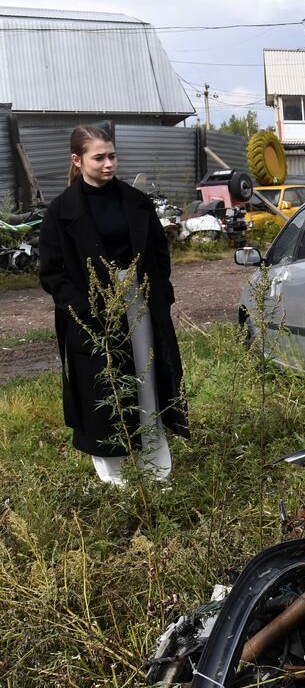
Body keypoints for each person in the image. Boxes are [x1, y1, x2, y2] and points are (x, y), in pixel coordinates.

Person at [37, 125, 187, 485]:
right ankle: (114, 480)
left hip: (139, 302)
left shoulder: (137, 201)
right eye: (99, 157)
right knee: (103, 390)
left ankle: (157, 472)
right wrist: (86, 309)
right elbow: (51, 273)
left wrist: (159, 293)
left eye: (112, 156)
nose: (108, 164)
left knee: (146, 378)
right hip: (92, 315)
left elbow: (159, 253)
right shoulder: (60, 212)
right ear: (78, 160)